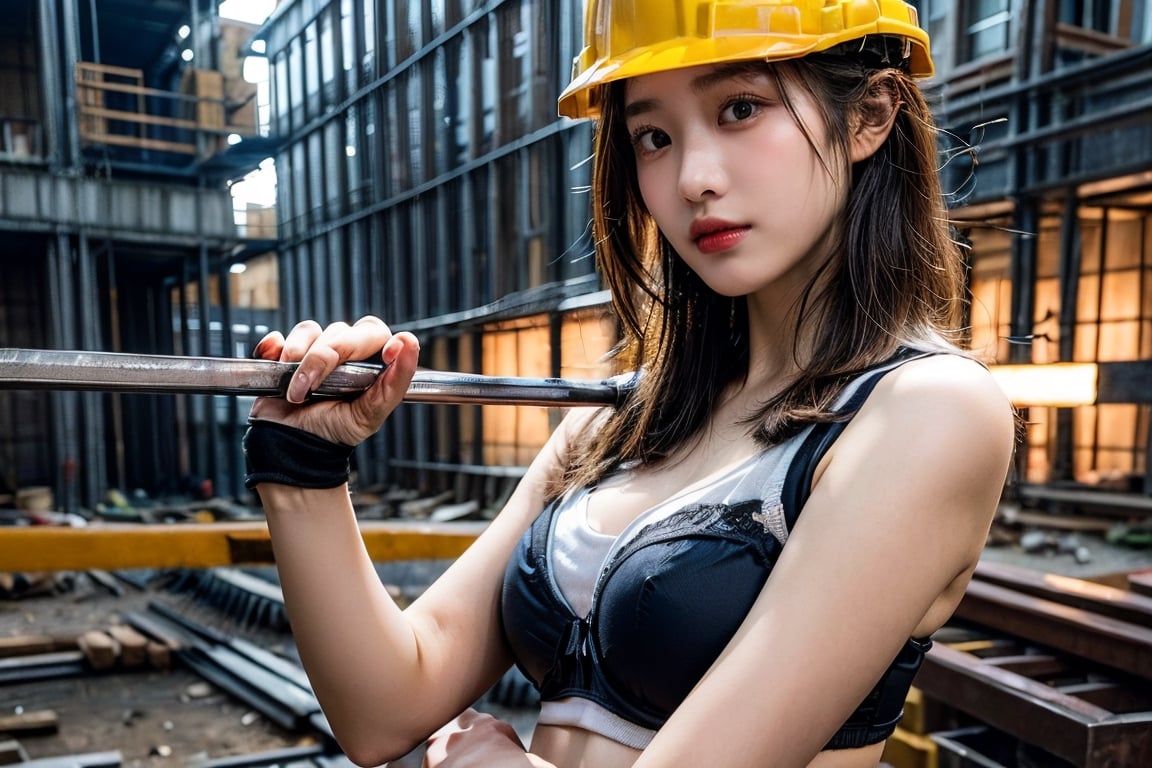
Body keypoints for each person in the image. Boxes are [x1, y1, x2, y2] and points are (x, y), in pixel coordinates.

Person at [242, 1, 1017, 766]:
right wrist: (302, 463)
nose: (692, 179)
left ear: (870, 115)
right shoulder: (615, 423)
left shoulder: (925, 413)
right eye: (654, 136)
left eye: (740, 108)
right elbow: (384, 708)